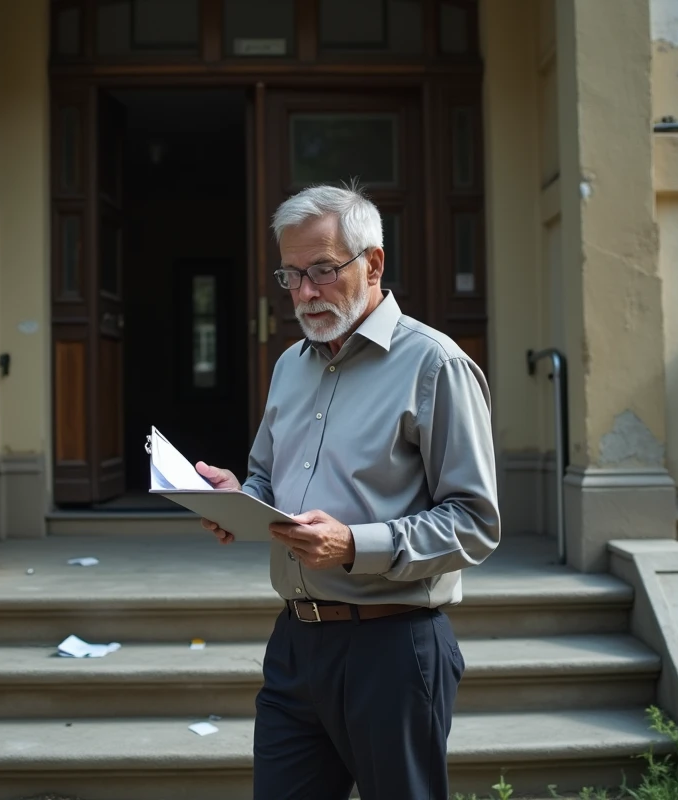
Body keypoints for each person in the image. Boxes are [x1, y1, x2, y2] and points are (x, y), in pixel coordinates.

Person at [196, 183, 500, 800]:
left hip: (393, 647)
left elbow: (474, 522)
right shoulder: (289, 365)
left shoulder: (435, 365)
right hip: (295, 645)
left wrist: (354, 545)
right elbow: (266, 477)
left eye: (322, 270)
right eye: (291, 276)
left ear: (374, 263)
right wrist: (237, 500)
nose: (305, 292)